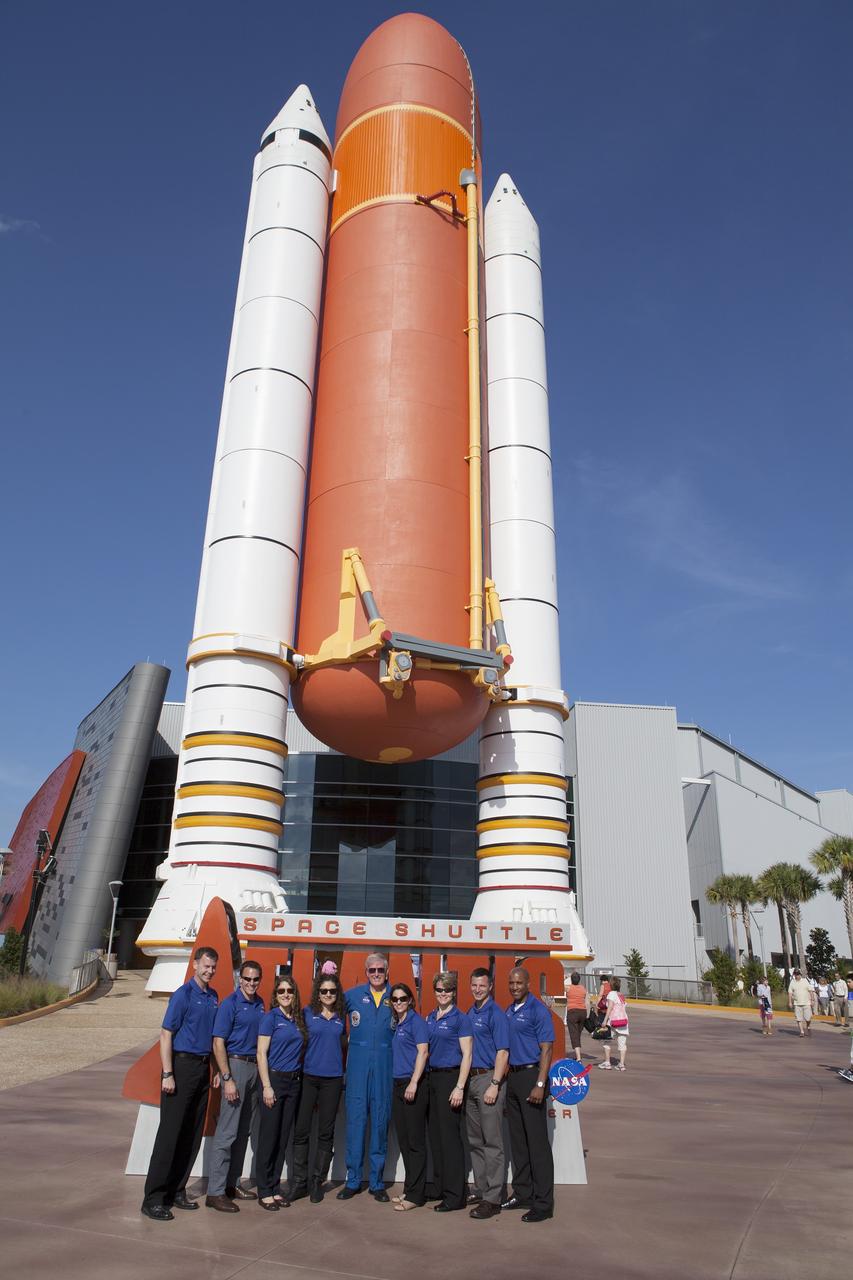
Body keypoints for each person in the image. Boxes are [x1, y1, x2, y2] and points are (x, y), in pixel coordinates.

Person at [141, 946, 219, 1221]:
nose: (209, 971)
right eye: (206, 966)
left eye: (213, 967)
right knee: (170, 1135)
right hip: (181, 1067)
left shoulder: (213, 997)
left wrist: (216, 1068)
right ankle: (153, 1198)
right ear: (195, 964)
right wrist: (168, 1073)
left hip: (202, 1068)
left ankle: (177, 1190)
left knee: (192, 1134)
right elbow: (166, 1034)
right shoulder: (183, 995)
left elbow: (211, 1038)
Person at [206, 960, 265, 1211]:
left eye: (255, 979)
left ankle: (232, 1183)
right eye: (247, 979)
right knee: (227, 1132)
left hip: (254, 1068)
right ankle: (215, 1192)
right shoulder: (230, 1004)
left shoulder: (260, 1003)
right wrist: (226, 1076)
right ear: (240, 979)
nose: (251, 984)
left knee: (243, 1132)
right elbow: (218, 1042)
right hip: (236, 1065)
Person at [338, 953, 394, 1201]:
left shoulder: (398, 997)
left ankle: (377, 1182)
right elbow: (332, 1022)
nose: (376, 974)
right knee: (356, 1123)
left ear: (387, 971)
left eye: (380, 970)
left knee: (380, 1124)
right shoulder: (351, 996)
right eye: (371, 970)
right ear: (366, 971)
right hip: (358, 1067)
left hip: (384, 1067)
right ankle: (353, 1180)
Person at [501, 966, 555, 1224]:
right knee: (519, 1143)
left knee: (537, 1145)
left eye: (519, 983)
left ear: (528, 983)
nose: (514, 987)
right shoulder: (509, 1011)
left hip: (532, 1077)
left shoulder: (538, 1010)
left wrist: (541, 1083)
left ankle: (543, 1203)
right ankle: (523, 1192)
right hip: (513, 1077)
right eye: (511, 983)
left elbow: (546, 1049)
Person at [289, 972, 347, 1204]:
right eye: (323, 991)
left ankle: (316, 1181)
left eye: (332, 991)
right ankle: (299, 1182)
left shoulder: (342, 1017)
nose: (328, 995)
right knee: (302, 1130)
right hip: (309, 1078)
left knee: (326, 1132)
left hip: (333, 1080)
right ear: (317, 993)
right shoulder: (307, 1013)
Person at [424, 971, 473, 1213]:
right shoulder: (430, 1017)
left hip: (450, 1078)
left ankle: (456, 1195)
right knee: (436, 1136)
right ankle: (440, 1186)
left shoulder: (460, 1019)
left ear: (454, 992)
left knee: (451, 1139)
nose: (443, 994)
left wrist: (460, 1086)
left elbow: (468, 1055)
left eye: (447, 990)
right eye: (439, 990)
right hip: (432, 1078)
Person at [256, 975, 306, 1210]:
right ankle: (264, 1189)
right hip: (274, 1081)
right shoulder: (270, 1018)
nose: (286, 994)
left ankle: (275, 1187)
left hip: (293, 1083)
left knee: (282, 1137)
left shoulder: (298, 1018)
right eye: (281, 991)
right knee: (269, 1137)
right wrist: (266, 1086)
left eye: (290, 991)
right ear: (275, 995)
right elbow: (261, 1054)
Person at [466, 966, 509, 1219]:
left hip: (488, 1079)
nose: (478, 989)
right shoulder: (471, 1011)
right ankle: (482, 1188)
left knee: (492, 1142)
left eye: (482, 985)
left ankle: (493, 1198)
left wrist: (495, 1083)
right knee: (475, 1140)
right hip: (470, 1080)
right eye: (474, 985)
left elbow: (503, 1051)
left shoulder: (496, 1014)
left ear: (490, 986)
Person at [389, 982, 429, 1211]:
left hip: (412, 1085)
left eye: (403, 998)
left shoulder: (417, 1022)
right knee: (404, 1141)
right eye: (395, 999)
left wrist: (414, 1082)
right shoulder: (398, 1023)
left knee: (415, 1143)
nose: (399, 1002)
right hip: (397, 1085)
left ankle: (416, 1195)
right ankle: (410, 1188)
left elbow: (423, 1052)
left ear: (410, 1000)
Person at [598, 976, 630, 1070]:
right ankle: (621, 1064)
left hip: (613, 1022)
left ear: (611, 985)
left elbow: (610, 1007)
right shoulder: (621, 995)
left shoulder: (611, 994)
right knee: (622, 1043)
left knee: (607, 1040)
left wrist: (604, 1020)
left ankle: (607, 1062)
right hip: (623, 1021)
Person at [563, 970, 592, 1062]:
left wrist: (565, 977)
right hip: (582, 1012)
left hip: (572, 1012)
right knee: (578, 1034)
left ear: (571, 980)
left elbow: (558, 985)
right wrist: (587, 1014)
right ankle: (577, 1052)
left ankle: (578, 1058)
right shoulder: (583, 989)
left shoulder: (568, 988)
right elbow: (587, 1002)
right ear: (579, 980)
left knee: (574, 1034)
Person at [788, 968, 813, 1037]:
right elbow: (790, 992)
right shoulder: (792, 982)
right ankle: (802, 1031)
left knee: (808, 1018)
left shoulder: (805, 981)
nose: (797, 976)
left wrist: (812, 1000)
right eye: (795, 974)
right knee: (799, 1018)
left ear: (800, 974)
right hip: (797, 1003)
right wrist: (790, 1002)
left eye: (798, 974)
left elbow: (810, 990)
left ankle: (808, 1026)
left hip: (806, 1002)